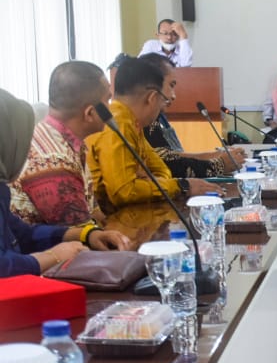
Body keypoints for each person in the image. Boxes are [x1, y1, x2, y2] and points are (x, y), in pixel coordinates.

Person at [0, 88, 130, 278]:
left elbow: (24, 234)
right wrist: (53, 256)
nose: (27, 150)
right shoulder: (52, 158)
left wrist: (86, 235)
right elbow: (3, 267)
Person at [86, 57, 223, 213]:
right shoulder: (118, 125)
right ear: (151, 98)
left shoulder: (132, 122)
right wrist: (182, 185)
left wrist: (146, 183)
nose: (169, 100)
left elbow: (163, 171)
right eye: (162, 100)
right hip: (108, 221)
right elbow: (124, 192)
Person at [10, 61, 111, 226]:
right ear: (90, 113)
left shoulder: (59, 139)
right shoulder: (54, 162)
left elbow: (93, 213)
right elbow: (82, 234)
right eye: (108, 100)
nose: (111, 109)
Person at [138, 53, 246, 177]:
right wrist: (219, 164)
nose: (173, 96)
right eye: (171, 85)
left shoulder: (154, 116)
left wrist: (215, 156)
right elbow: (166, 163)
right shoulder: (137, 119)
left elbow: (169, 155)